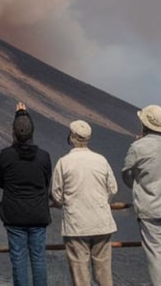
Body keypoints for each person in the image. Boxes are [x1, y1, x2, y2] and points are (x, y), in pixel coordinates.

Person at [121, 104, 161, 286]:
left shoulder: (138, 147)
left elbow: (126, 173)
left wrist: (137, 185)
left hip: (149, 207)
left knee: (155, 254)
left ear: (145, 124)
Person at [52, 120, 117, 286]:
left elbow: (57, 195)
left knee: (80, 277)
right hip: (101, 223)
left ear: (72, 137)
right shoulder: (101, 160)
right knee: (104, 275)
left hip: (76, 225)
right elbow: (113, 188)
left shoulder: (63, 162)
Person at [0, 102, 51, 286]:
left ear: (14, 132)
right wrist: (23, 113)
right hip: (38, 215)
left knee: (18, 260)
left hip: (14, 216)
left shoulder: (6, 155)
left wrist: (19, 114)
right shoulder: (43, 156)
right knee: (39, 258)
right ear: (32, 132)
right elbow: (46, 181)